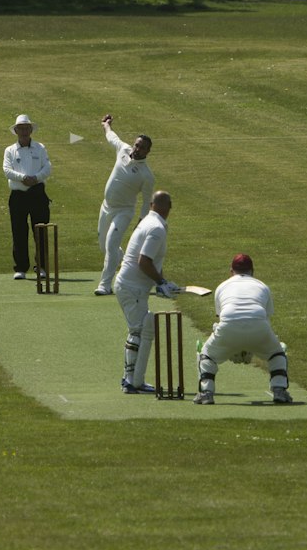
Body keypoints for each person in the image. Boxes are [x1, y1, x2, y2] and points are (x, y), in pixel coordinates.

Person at [194, 252, 292, 406]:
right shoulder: (262, 286)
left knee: (207, 356)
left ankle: (206, 393)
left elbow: (222, 319)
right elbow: (265, 319)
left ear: (231, 271)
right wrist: (252, 346)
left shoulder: (222, 286)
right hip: (259, 325)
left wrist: (234, 347)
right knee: (277, 354)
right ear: (252, 271)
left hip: (229, 325)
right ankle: (279, 390)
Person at [114, 190, 180, 392]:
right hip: (131, 288)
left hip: (132, 287)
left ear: (152, 205)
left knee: (139, 330)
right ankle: (131, 381)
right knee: (140, 331)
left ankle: (132, 379)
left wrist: (162, 281)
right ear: (168, 207)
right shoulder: (157, 228)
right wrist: (160, 281)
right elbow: (144, 261)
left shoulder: (147, 222)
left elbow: (153, 260)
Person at [94, 113, 156, 296]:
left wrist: (142, 221)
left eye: (142, 148)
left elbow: (147, 202)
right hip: (106, 207)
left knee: (112, 244)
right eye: (137, 145)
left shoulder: (147, 175)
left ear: (147, 152)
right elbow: (111, 137)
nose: (138, 149)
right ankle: (122, 259)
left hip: (124, 211)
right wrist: (106, 124)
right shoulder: (123, 149)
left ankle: (105, 285)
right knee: (104, 246)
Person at [2, 113, 52, 280]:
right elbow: (7, 170)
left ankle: (42, 267)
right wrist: (23, 178)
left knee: (41, 231)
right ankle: (21, 268)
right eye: (21, 128)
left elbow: (47, 167)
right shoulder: (9, 150)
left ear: (31, 130)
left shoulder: (40, 148)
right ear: (16, 131)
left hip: (37, 193)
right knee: (19, 231)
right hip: (18, 195)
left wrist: (36, 178)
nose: (24, 131)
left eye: (26, 128)